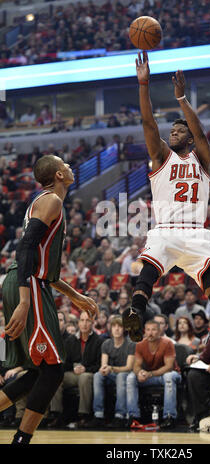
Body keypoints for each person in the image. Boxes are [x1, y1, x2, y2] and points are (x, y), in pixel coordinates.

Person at [122, 51, 210, 394]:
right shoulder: (160, 155)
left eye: (180, 129)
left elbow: (200, 130)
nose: (175, 131)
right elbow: (149, 123)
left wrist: (182, 99)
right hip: (164, 230)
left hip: (196, 235)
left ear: (189, 137)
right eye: (173, 129)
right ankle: (134, 310)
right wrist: (143, 84)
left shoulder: (201, 157)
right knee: (148, 269)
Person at [0, 155, 98, 444]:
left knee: (38, 371)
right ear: (58, 174)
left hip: (31, 281)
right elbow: (26, 248)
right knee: (54, 370)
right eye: (66, 164)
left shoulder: (51, 203)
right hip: (27, 282)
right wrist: (24, 300)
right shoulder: (51, 200)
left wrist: (75, 295)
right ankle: (22, 440)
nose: (70, 167)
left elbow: (48, 269)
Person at [49, 311, 104, 429]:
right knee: (56, 377)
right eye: (82, 320)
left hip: (90, 373)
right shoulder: (70, 340)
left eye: (88, 321)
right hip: (73, 373)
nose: (84, 324)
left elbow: (99, 364)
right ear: (78, 323)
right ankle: (56, 414)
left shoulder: (98, 341)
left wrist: (86, 368)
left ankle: (84, 416)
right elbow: (64, 363)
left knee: (84, 377)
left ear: (92, 323)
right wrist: (73, 367)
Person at [126, 319, 181, 429]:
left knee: (168, 377)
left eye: (154, 330)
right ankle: (133, 416)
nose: (150, 333)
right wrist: (140, 373)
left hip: (169, 374)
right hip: (150, 375)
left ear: (159, 331)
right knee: (131, 377)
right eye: (148, 330)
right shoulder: (140, 344)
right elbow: (136, 366)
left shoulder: (167, 343)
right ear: (144, 331)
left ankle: (169, 416)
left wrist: (149, 374)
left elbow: (169, 367)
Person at [87, 316, 135, 429]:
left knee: (121, 376)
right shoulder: (106, 343)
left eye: (120, 326)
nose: (117, 329)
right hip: (111, 373)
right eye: (114, 326)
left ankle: (120, 415)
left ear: (124, 329)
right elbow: (104, 365)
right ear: (111, 328)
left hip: (125, 375)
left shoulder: (130, 344)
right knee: (98, 376)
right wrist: (103, 369)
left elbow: (128, 367)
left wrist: (111, 369)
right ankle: (98, 414)